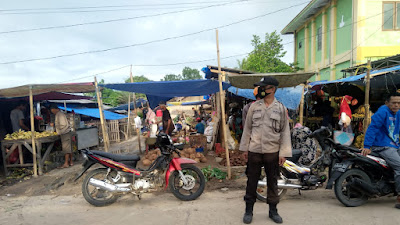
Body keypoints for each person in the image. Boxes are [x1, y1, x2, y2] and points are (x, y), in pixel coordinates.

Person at [239, 76, 291, 224]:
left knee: (272, 182)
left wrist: (284, 153)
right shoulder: (254, 107)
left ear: (272, 89)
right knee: (252, 182)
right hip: (254, 150)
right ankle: (248, 211)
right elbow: (247, 129)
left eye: (264, 87)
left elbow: (285, 132)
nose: (261, 89)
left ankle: (273, 211)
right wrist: (244, 149)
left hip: (272, 151)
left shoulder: (281, 108)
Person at [361, 92, 400, 209]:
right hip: (382, 146)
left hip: (394, 145)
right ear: (387, 103)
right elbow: (373, 128)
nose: (396, 105)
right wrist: (367, 146)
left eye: (399, 103)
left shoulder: (398, 113)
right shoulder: (383, 112)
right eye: (394, 103)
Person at [49, 104, 73, 168]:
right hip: (65, 132)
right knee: (69, 148)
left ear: (54, 109)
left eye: (52, 111)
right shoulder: (59, 114)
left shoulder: (59, 114)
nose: (52, 112)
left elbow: (63, 125)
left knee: (66, 148)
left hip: (65, 133)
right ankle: (70, 162)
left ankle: (66, 163)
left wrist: (59, 131)